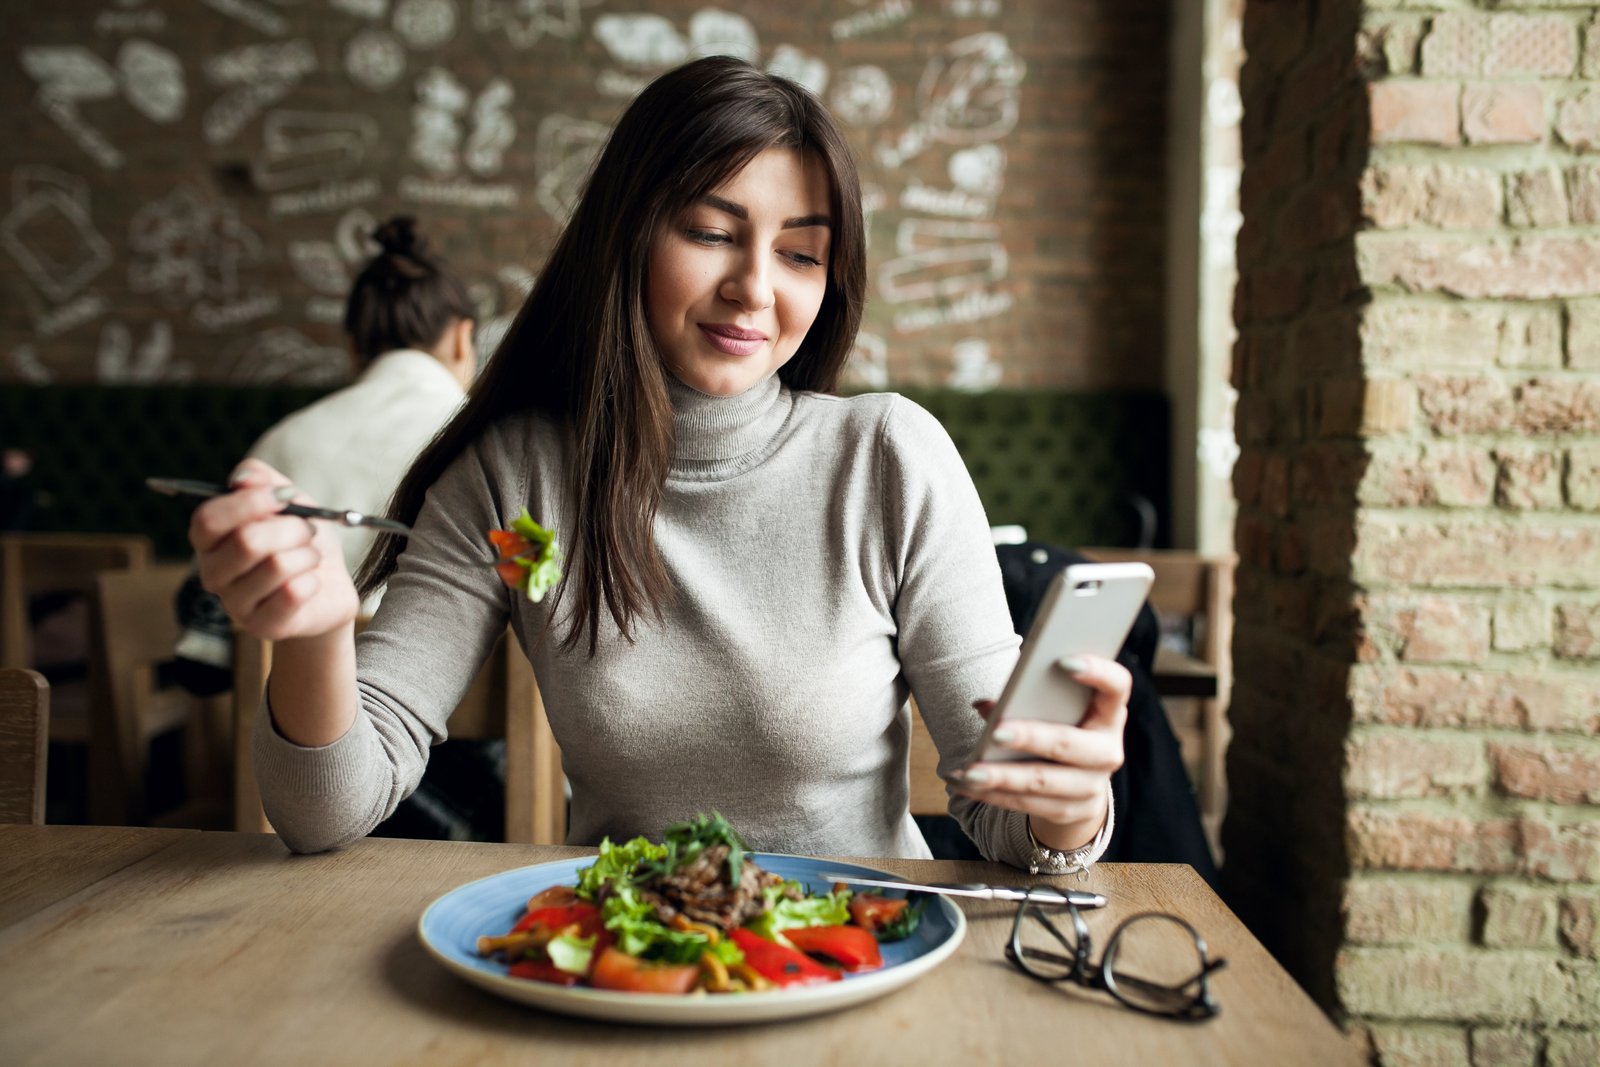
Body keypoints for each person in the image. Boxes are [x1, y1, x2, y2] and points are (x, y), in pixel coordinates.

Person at [190, 56, 1131, 872]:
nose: (754, 287)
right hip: (626, 968)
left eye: (801, 254)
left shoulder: (887, 457)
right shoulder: (514, 473)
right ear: (630, 232)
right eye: (713, 233)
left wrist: (1068, 803)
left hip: (861, 954)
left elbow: (1011, 819)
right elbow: (323, 812)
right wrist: (314, 634)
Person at [174, 215, 478, 688]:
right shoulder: (492, 439)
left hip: (286, 722)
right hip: (465, 727)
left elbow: (207, 637)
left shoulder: (282, 441)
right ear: (464, 339)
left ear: (354, 349)